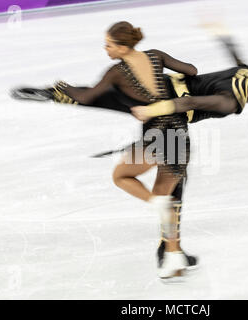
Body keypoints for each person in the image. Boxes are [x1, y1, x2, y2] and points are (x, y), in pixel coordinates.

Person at [13, 21, 199, 279]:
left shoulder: (117, 72)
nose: (106, 49)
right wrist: (174, 85)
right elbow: (191, 69)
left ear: (123, 48)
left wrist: (64, 89)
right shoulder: (156, 55)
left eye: (110, 45)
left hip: (157, 137)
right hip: (179, 134)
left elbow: (89, 97)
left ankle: (165, 238)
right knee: (173, 195)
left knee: (124, 178)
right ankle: (172, 254)